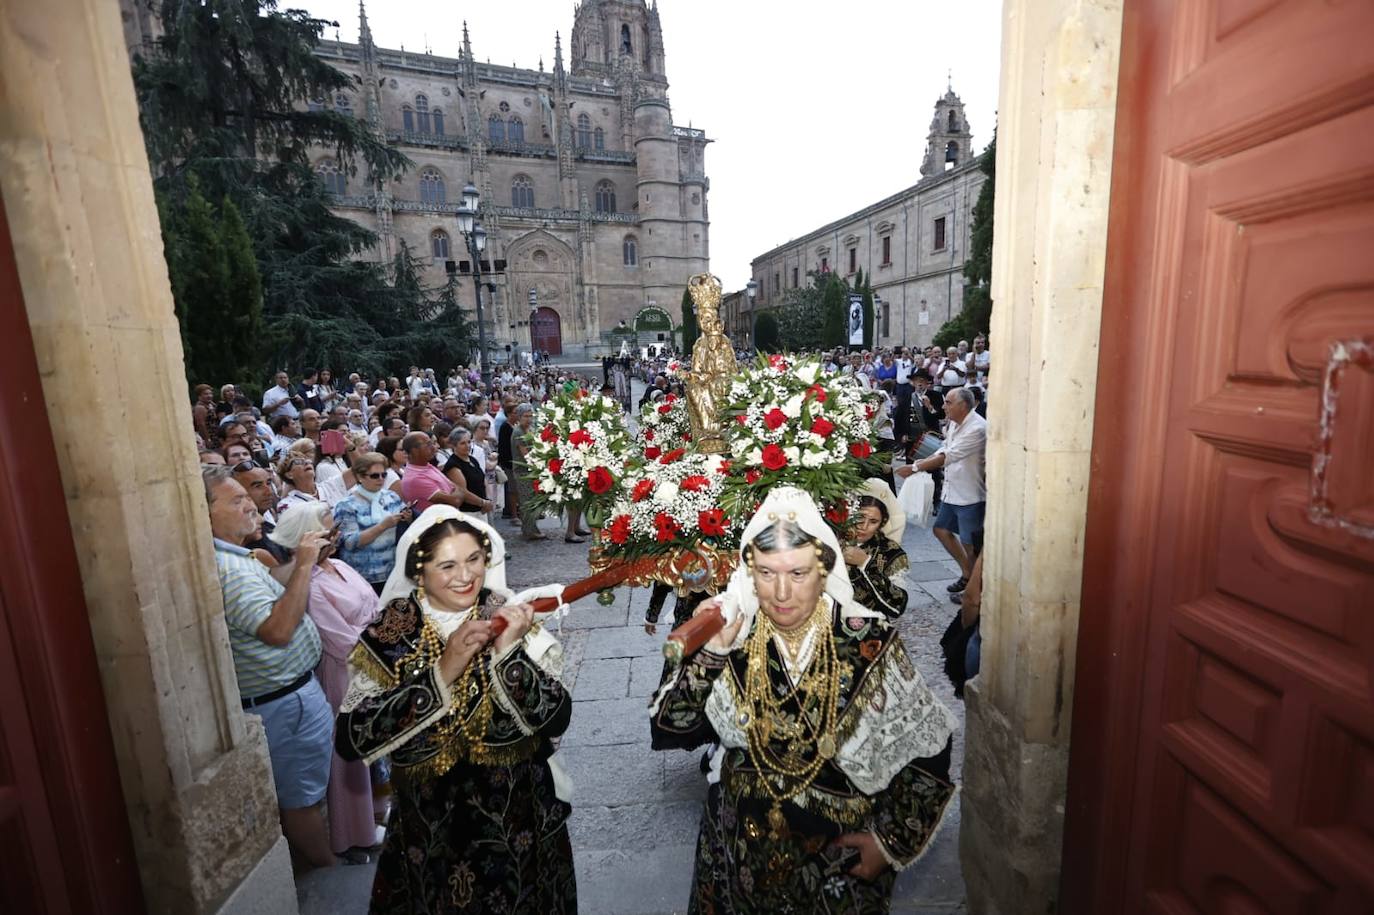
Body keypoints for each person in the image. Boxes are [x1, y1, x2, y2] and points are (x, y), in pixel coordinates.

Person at [650, 486, 958, 913]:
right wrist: (711, 656)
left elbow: (929, 749)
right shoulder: (730, 639)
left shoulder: (866, 640)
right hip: (735, 846)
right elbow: (670, 727)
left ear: (824, 571)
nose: (780, 593)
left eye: (797, 574)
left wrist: (888, 842)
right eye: (766, 573)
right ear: (749, 574)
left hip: (836, 856)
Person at [335, 508, 577, 913]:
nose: (465, 576)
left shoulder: (507, 615)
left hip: (520, 819)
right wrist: (444, 670)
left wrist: (509, 656)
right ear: (420, 571)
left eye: (473, 560)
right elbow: (350, 739)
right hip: (430, 829)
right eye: (447, 565)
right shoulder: (393, 632)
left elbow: (556, 718)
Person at [204, 466, 336, 869]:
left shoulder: (237, 556)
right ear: (204, 513)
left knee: (308, 791)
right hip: (282, 703)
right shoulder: (226, 570)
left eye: (248, 497)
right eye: (237, 500)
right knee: (300, 799)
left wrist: (301, 559)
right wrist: (302, 566)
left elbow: (275, 595)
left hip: (290, 696)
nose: (249, 504)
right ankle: (327, 874)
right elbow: (278, 629)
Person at [267, 503, 380, 858]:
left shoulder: (340, 565)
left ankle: (377, 811)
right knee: (349, 753)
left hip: (372, 662)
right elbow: (338, 639)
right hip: (345, 672)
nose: (337, 537)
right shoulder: (308, 585)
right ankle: (352, 834)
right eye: (330, 532)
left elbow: (373, 604)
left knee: (373, 747)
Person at [897, 387, 985, 594]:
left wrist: (915, 467)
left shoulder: (977, 428)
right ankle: (967, 574)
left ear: (962, 406)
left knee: (970, 543)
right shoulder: (954, 424)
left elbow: (950, 456)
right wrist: (923, 460)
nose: (943, 406)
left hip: (971, 493)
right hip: (952, 490)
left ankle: (975, 589)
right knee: (941, 530)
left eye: (948, 402)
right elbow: (944, 447)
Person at [332, 451, 413, 595]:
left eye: (384, 474)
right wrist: (382, 526)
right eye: (375, 475)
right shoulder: (346, 505)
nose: (381, 479)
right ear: (360, 477)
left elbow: (406, 526)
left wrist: (408, 517)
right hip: (364, 576)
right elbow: (349, 542)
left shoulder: (391, 496)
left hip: (394, 571)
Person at [843, 479, 910, 619]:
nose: (864, 526)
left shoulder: (890, 552)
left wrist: (866, 563)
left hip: (869, 628)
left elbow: (898, 605)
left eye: (873, 521)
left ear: (882, 523)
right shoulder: (833, 539)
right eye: (860, 517)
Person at [510, 404, 547, 541]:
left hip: (531, 471)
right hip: (523, 472)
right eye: (526, 416)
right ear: (519, 417)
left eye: (531, 416)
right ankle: (528, 530)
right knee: (527, 501)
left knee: (532, 500)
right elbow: (525, 454)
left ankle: (532, 528)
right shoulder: (518, 432)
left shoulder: (529, 429)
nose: (529, 419)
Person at [443, 427, 494, 517]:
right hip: (467, 512)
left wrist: (488, 499)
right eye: (462, 443)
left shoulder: (472, 459)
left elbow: (482, 479)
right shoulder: (453, 465)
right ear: (454, 446)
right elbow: (462, 492)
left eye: (469, 442)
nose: (467, 446)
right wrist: (483, 503)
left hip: (480, 509)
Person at [277, 451, 322, 516]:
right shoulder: (287, 505)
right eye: (298, 462)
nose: (306, 462)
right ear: (289, 475)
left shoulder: (329, 485)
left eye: (307, 460)